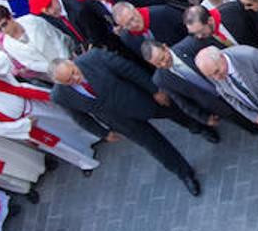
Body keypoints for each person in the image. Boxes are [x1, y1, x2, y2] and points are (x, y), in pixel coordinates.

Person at [50, 51, 205, 197]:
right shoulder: (59, 96)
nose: (75, 79)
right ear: (58, 82)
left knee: (174, 113)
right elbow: (79, 118)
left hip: (140, 99)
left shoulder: (94, 57)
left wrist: (154, 90)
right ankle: (185, 174)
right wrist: (103, 134)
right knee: (155, 147)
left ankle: (198, 126)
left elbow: (130, 70)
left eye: (74, 72)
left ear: (71, 62)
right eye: (68, 81)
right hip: (121, 122)